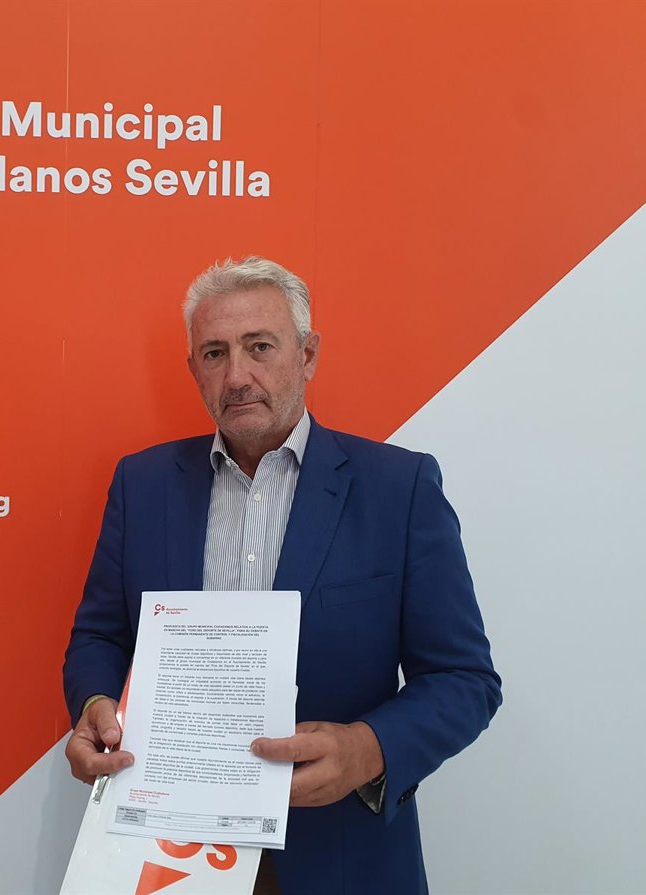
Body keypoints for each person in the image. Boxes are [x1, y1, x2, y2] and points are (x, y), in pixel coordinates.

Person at [62, 256, 501, 894]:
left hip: (339, 860)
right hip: (163, 856)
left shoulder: (397, 488)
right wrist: (95, 705)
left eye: (260, 347)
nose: (237, 376)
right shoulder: (143, 484)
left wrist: (367, 749)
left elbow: (465, 679)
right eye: (214, 354)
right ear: (194, 370)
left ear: (308, 354)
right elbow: (99, 637)